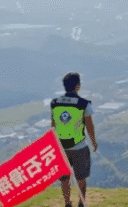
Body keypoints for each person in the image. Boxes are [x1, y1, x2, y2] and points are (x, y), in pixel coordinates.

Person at [51, 72, 98, 207]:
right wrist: (94, 142)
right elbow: (89, 126)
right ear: (78, 87)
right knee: (81, 177)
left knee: (64, 178)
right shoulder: (83, 104)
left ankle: (67, 203)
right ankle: (81, 203)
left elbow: (53, 125)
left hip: (61, 147)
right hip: (79, 147)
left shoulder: (55, 103)